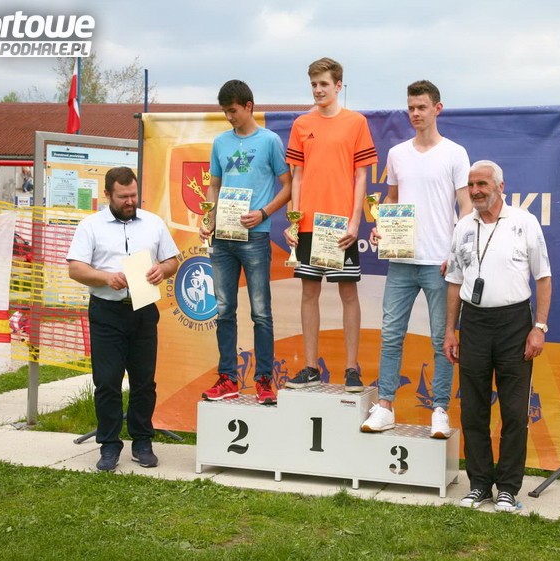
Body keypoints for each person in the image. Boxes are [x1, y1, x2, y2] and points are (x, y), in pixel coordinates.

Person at [361, 80, 471, 438]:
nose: (415, 113)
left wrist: (456, 254)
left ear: (437, 109)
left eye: (421, 107)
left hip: (441, 262)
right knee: (391, 335)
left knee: (442, 339)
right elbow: (392, 199)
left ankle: (439, 410)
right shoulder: (397, 153)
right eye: (410, 107)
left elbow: (466, 208)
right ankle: (385, 406)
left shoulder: (455, 153)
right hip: (401, 260)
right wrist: (381, 224)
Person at [443, 160, 551, 512]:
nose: (475, 191)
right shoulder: (463, 226)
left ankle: (507, 487)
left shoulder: (524, 222)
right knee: (473, 409)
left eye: (483, 184)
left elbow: (544, 278)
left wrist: (539, 328)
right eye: (471, 184)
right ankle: (478, 484)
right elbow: (454, 281)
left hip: (514, 323)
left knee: (514, 410)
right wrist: (450, 330)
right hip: (473, 323)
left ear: (500, 187)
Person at [67, 167, 180, 472]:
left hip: (143, 310)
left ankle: (142, 442)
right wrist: (105, 278)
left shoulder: (153, 223)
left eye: (133, 195)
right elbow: (75, 268)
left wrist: (162, 270)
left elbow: (172, 260)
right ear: (107, 194)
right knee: (107, 382)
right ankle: (109, 445)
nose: (130, 201)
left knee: (144, 381)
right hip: (107, 312)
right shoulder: (90, 226)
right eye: (123, 196)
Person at [283, 57, 378, 393]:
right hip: (308, 223)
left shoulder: (356, 122)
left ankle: (351, 368)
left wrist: (355, 221)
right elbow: (297, 175)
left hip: (340, 226)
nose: (318, 90)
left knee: (348, 293)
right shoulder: (301, 124)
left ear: (338, 86)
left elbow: (361, 176)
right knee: (309, 293)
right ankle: (311, 367)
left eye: (324, 84)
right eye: (314, 84)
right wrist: (294, 219)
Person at [200, 79, 293, 405]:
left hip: (255, 236)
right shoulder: (220, 142)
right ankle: (228, 378)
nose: (229, 117)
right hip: (224, 237)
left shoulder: (269, 141)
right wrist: (209, 218)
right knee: (224, 310)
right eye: (225, 112)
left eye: (233, 111)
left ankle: (264, 380)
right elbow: (214, 185)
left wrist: (264, 212)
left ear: (248, 106)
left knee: (261, 312)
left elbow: (288, 185)